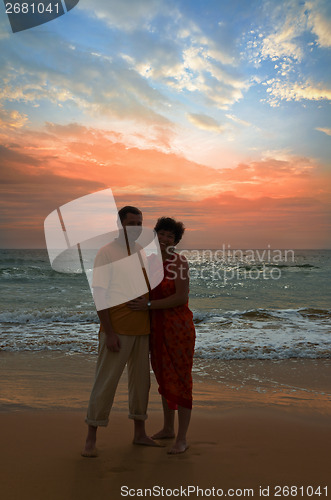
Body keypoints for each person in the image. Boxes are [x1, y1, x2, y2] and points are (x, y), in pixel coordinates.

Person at [82, 206, 158, 457]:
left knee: (141, 384)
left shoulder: (139, 251)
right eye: (131, 223)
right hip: (117, 330)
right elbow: (100, 293)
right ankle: (90, 439)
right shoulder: (106, 252)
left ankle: (139, 433)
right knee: (105, 384)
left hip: (141, 330)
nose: (136, 227)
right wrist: (110, 332)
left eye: (140, 223)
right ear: (120, 224)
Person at [129, 217, 195, 454]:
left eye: (171, 236)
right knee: (164, 377)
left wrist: (147, 306)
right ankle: (168, 428)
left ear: (176, 241)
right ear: (155, 235)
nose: (166, 239)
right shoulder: (149, 261)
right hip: (155, 328)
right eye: (162, 234)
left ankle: (182, 438)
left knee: (181, 379)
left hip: (178, 328)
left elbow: (180, 297)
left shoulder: (179, 262)